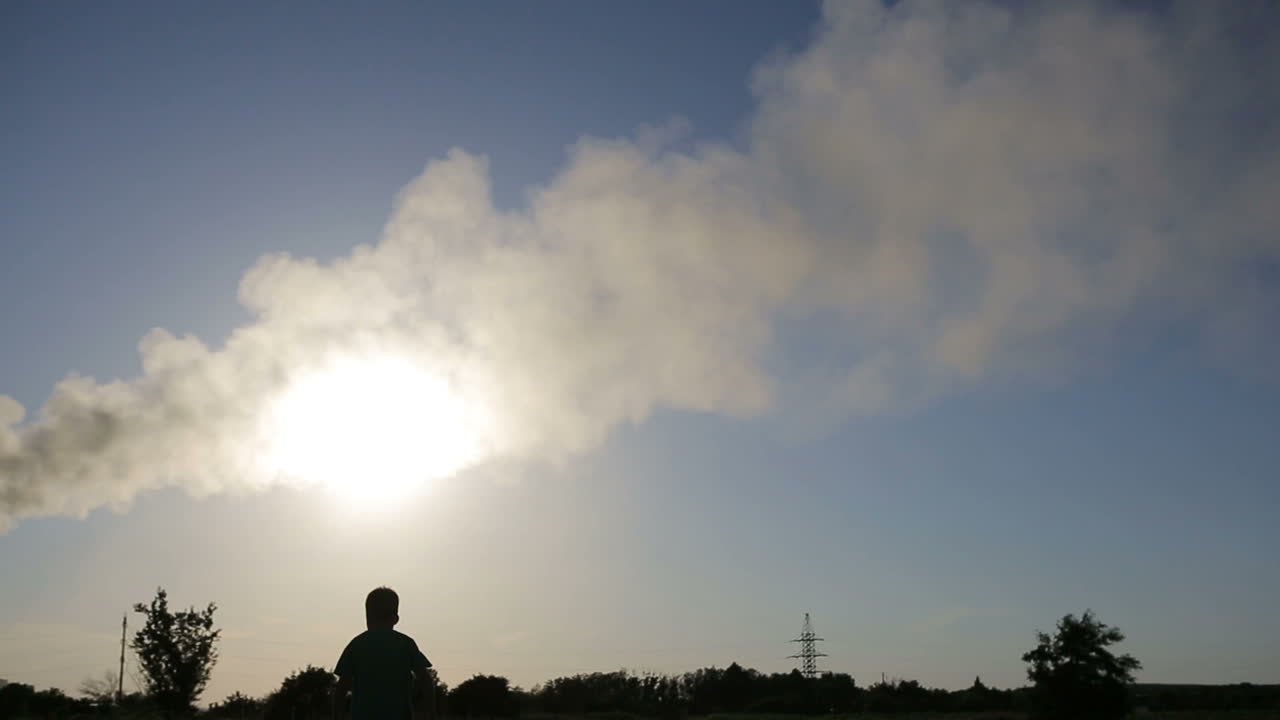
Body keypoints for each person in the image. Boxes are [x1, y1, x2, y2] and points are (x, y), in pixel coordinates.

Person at [333, 587, 434, 720]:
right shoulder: (405, 644)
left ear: (367, 616)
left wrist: (336, 714)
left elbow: (342, 686)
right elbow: (425, 680)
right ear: (395, 618)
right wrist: (431, 711)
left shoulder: (357, 644)